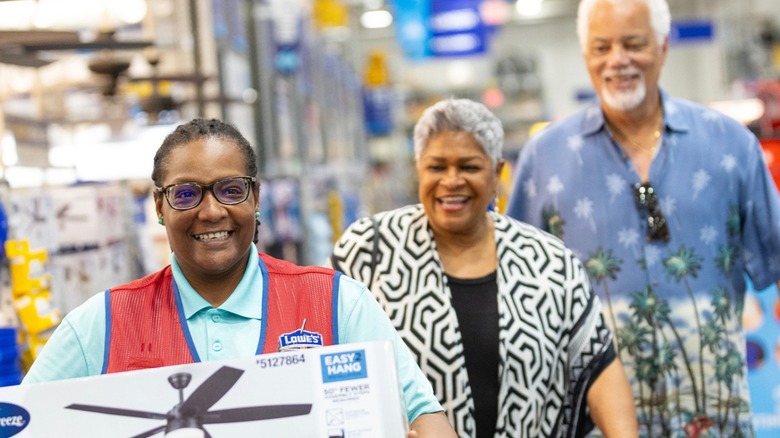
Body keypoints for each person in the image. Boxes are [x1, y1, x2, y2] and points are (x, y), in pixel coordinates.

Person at [22, 118, 456, 437]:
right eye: (186, 193)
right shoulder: (101, 323)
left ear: (256, 197)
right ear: (159, 207)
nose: (211, 212)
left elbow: (425, 415)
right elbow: (20, 421)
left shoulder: (337, 302)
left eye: (231, 190)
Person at [505, 0, 780, 436]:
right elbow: (515, 295)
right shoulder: (545, 159)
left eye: (633, 44)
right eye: (602, 47)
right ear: (585, 55)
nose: (617, 60)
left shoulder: (730, 146)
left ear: (664, 47)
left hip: (713, 419)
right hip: (596, 426)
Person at [329, 98, 638, 438]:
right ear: (419, 169)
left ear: (497, 172)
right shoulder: (369, 251)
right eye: (436, 167)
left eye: (469, 167)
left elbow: (598, 368)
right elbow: (329, 367)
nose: (451, 181)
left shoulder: (549, 261)